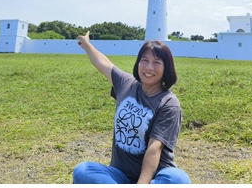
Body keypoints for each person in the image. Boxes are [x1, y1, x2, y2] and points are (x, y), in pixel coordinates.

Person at [72, 34, 190, 184]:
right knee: (82, 171)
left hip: (155, 176)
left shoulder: (169, 103)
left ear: (166, 68)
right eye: (144, 60)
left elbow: (154, 148)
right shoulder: (126, 83)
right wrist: (86, 45)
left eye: (157, 62)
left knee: (178, 179)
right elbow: (104, 64)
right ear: (138, 63)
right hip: (120, 174)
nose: (149, 67)